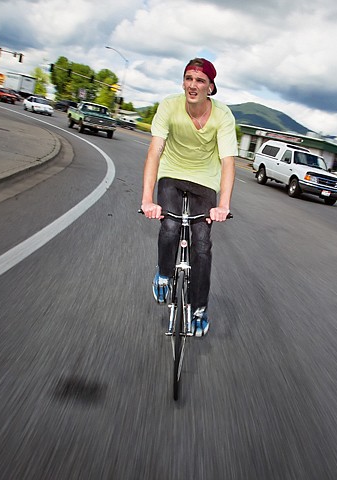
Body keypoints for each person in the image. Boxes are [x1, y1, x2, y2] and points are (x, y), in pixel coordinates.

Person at [140, 57, 237, 337]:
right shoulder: (169, 106)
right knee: (169, 226)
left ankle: (199, 309)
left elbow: (228, 161)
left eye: (200, 81)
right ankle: (163, 273)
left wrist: (224, 206)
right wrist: (148, 199)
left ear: (211, 87)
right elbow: (154, 152)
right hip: (171, 172)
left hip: (206, 179)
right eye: (189, 79)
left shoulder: (223, 116)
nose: (193, 85)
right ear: (183, 81)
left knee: (203, 244)